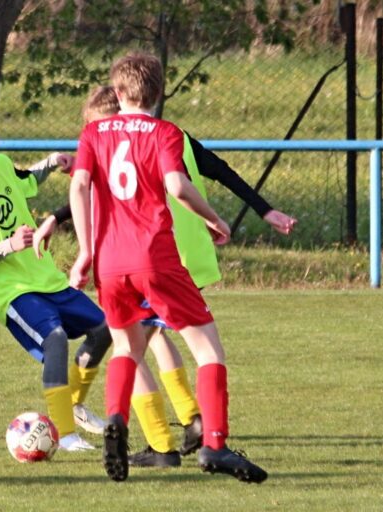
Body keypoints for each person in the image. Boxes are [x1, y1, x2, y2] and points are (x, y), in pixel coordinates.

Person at [34, 85, 296, 469]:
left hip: (145, 254)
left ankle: (158, 441)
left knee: (132, 345)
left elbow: (101, 187)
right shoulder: (171, 133)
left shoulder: (111, 137)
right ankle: (192, 419)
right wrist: (264, 210)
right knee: (158, 336)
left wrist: (62, 225)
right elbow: (219, 170)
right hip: (184, 252)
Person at [69, 51, 268, 483]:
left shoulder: (94, 132)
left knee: (127, 348)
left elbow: (80, 185)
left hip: (109, 263)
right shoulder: (163, 132)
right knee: (209, 350)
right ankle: (214, 444)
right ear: (158, 93)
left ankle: (118, 420)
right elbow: (177, 185)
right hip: (155, 259)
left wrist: (85, 251)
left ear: (117, 92)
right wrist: (213, 217)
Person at [0, 112, 113, 452]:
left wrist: (51, 162)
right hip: (10, 291)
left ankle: (73, 405)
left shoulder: (1, 165)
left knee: (104, 328)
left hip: (44, 275)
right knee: (56, 338)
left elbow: (24, 178)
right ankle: (63, 433)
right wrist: (7, 245)